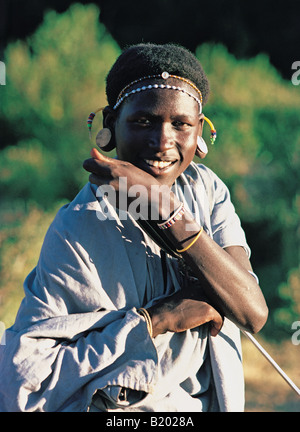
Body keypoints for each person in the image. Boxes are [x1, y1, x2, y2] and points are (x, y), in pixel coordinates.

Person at [0, 43, 268, 412]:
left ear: (200, 130)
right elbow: (26, 374)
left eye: (181, 124)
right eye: (143, 121)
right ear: (111, 124)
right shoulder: (80, 224)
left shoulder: (207, 192)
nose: (162, 142)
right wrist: (156, 320)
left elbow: (252, 312)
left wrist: (168, 212)